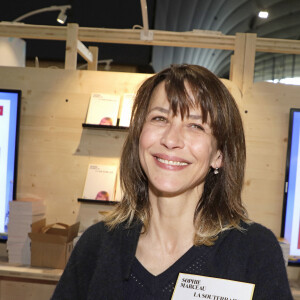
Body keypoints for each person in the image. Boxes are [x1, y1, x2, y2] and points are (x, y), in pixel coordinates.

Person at [51, 64, 292, 299]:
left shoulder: (254, 252)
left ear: (219, 155)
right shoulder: (96, 246)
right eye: (160, 118)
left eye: (195, 125)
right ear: (139, 135)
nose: (171, 139)